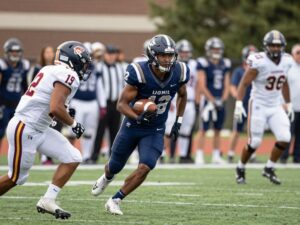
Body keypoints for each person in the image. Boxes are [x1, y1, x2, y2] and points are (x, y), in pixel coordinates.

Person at [91, 34, 189, 215]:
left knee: (146, 166)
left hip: (155, 128)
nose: (167, 60)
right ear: (152, 55)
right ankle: (107, 177)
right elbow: (121, 104)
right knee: (115, 166)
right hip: (132, 125)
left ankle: (116, 199)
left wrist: (178, 121)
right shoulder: (139, 71)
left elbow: (183, 94)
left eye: (170, 55)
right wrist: (138, 118)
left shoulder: (180, 71)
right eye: (163, 55)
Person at [0, 41, 91, 219]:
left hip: (39, 128)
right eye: (83, 62)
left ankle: (48, 200)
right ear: (72, 60)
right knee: (16, 178)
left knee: (73, 157)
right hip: (26, 127)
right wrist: (73, 124)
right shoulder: (67, 74)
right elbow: (55, 108)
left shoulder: (49, 69)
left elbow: (51, 104)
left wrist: (65, 112)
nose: (84, 67)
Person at [234, 30, 294, 185]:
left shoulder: (287, 60)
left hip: (275, 105)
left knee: (285, 137)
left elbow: (284, 82)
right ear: (266, 46)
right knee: (254, 142)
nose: (275, 48)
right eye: (272, 45)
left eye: (278, 45)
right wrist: (239, 103)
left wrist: (288, 103)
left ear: (283, 47)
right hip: (258, 104)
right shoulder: (258, 61)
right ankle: (240, 167)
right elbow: (244, 83)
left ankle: (269, 168)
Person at [195, 37, 231, 164]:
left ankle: (216, 155)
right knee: (203, 129)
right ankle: (199, 155)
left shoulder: (224, 64)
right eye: (214, 49)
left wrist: (223, 99)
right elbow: (202, 85)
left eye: (218, 49)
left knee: (218, 129)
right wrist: (212, 100)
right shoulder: (203, 63)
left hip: (220, 100)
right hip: (207, 101)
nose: (216, 51)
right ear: (208, 50)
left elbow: (227, 85)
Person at [91, 44, 124, 161]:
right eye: (108, 54)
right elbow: (97, 87)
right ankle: (94, 156)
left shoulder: (121, 68)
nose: (110, 57)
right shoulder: (99, 67)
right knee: (99, 131)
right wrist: (101, 105)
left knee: (115, 132)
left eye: (112, 54)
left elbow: (123, 86)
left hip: (116, 104)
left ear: (116, 55)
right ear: (104, 55)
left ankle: (113, 157)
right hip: (104, 104)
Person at [227, 45, 258, 163]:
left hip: (255, 104)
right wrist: (237, 97)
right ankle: (230, 154)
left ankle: (252, 155)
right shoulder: (239, 71)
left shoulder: (258, 70)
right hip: (242, 104)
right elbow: (232, 86)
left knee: (253, 131)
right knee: (237, 130)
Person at [28, 45, 57, 165]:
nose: (49, 54)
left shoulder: (57, 69)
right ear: (43, 54)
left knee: (53, 129)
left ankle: (49, 156)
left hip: (53, 102)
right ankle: (43, 156)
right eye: (47, 52)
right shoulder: (37, 69)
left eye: (51, 52)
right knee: (40, 128)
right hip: (40, 103)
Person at [0, 38, 30, 150]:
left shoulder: (24, 65)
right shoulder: (2, 65)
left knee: (19, 132)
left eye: (17, 51)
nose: (15, 54)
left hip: (17, 105)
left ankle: (17, 155)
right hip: (4, 105)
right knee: (1, 131)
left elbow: (25, 86)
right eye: (12, 51)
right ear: (7, 52)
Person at [176, 39, 198, 163]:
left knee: (186, 131)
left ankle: (183, 156)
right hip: (176, 100)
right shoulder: (174, 65)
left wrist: (199, 101)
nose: (184, 54)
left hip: (190, 101)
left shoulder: (195, 64)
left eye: (187, 52)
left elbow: (199, 83)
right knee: (168, 129)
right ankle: (161, 155)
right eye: (182, 52)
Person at [280, 44, 300, 163]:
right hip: (289, 107)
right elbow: (281, 86)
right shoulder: (288, 67)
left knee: (299, 135)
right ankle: (283, 156)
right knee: (287, 134)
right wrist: (282, 102)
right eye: (298, 52)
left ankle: (297, 157)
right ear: (292, 54)